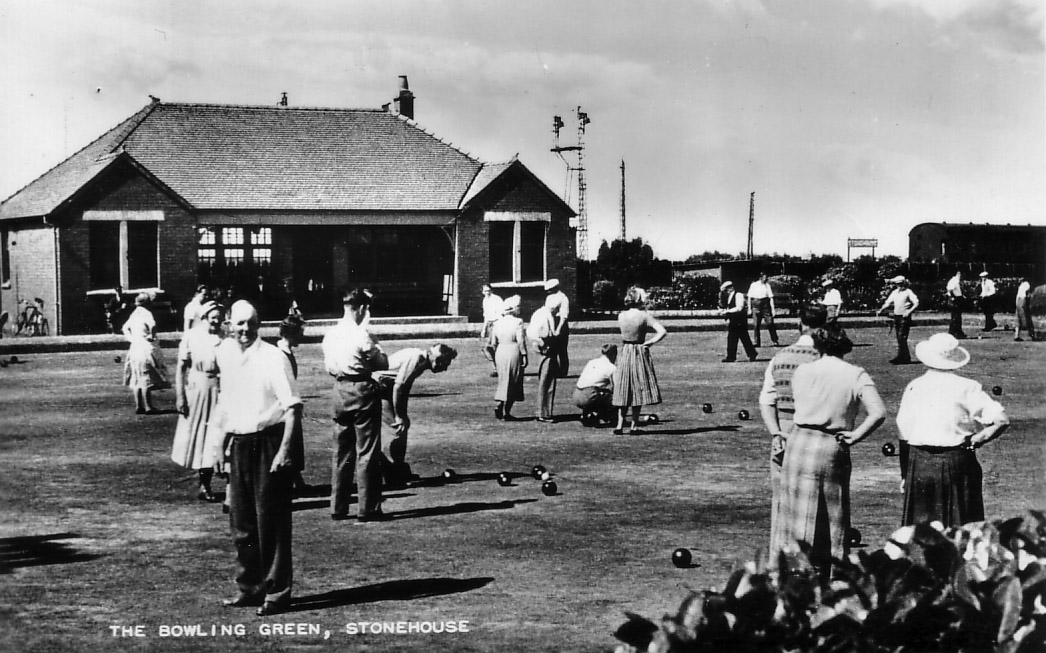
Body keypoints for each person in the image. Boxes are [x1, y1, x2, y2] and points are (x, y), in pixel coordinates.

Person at [211, 300, 302, 616]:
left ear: (259, 323)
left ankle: (277, 593)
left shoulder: (274, 357)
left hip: (268, 444)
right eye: (239, 324)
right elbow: (225, 405)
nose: (245, 329)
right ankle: (250, 588)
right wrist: (218, 448)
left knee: (271, 523)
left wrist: (285, 451)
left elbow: (292, 408)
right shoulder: (227, 355)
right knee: (243, 524)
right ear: (229, 325)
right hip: (239, 445)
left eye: (250, 323)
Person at [779, 326, 886, 578]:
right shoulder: (855, 374)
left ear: (818, 347)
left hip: (799, 442)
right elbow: (878, 412)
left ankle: (796, 576)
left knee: (797, 513)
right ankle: (831, 575)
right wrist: (856, 435)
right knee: (833, 514)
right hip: (831, 444)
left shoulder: (803, 371)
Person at [894, 333, 1009, 529]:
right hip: (957, 462)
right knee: (961, 528)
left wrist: (905, 474)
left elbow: (903, 433)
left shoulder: (914, 386)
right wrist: (977, 439)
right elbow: (1001, 420)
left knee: (921, 532)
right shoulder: (967, 387)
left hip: (920, 464)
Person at [758, 304, 827, 559]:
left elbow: (766, 399)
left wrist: (776, 432)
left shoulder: (779, 357)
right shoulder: (825, 359)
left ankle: (783, 560)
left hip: (784, 434)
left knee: (784, 501)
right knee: (817, 501)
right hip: (817, 433)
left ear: (801, 323)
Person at [323, 288, 390, 522]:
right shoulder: (363, 335)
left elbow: (329, 366)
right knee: (367, 451)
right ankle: (368, 507)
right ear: (361, 309)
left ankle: (338, 506)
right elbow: (382, 362)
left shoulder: (331, 334)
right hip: (362, 390)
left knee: (342, 452)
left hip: (339, 390)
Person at [375, 343, 458, 487]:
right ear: (437, 360)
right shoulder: (417, 359)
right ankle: (393, 476)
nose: (444, 369)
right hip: (379, 388)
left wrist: (402, 415)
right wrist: (400, 417)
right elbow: (399, 387)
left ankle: (397, 470)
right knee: (395, 430)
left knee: (400, 428)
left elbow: (402, 389)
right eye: (445, 364)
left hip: (385, 389)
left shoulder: (420, 359)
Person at [171, 301, 224, 502]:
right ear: (204, 318)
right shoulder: (192, 337)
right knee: (202, 437)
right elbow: (181, 368)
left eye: (219, 318)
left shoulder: (225, 338)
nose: (216, 322)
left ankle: (222, 483)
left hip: (220, 389)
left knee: (218, 434)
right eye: (213, 318)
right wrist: (180, 396)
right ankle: (205, 484)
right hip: (198, 390)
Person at [612, 287, 667, 435]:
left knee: (623, 387)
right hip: (638, 351)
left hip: (625, 350)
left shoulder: (621, 315)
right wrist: (650, 342)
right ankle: (634, 425)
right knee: (637, 388)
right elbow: (662, 331)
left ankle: (619, 425)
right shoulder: (644, 316)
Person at [276, 314, 312, 497]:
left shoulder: (287, 351)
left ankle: (297, 480)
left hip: (292, 400)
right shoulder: (280, 353)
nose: (302, 336)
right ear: (291, 333)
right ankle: (289, 482)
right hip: (284, 405)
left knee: (295, 441)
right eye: (300, 332)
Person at [122, 292, 169, 414]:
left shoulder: (134, 314)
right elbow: (153, 325)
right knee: (145, 376)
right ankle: (148, 406)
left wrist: (131, 338)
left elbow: (124, 328)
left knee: (136, 376)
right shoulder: (147, 313)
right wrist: (151, 336)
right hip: (145, 347)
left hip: (135, 347)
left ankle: (139, 405)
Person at [490, 295, 528, 420]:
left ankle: (500, 403)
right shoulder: (518, 322)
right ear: (513, 309)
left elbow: (493, 343)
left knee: (503, 379)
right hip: (513, 350)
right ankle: (506, 411)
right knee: (514, 380)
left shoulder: (497, 323)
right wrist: (524, 355)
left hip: (501, 351)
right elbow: (521, 341)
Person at [528, 300, 562, 423]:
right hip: (546, 346)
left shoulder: (541, 312)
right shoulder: (544, 315)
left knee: (546, 380)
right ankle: (543, 413)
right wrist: (542, 343)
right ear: (553, 307)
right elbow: (532, 332)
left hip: (545, 346)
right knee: (547, 381)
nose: (558, 311)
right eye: (557, 308)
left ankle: (544, 411)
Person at [876, 276, 919, 365]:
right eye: (897, 284)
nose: (899, 286)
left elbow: (916, 302)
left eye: (900, 284)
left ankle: (905, 357)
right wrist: (881, 309)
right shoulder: (895, 292)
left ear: (904, 284)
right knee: (899, 338)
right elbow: (888, 302)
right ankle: (902, 356)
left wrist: (909, 311)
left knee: (901, 337)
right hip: (897, 317)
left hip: (905, 317)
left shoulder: (908, 292)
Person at [574, 344, 617, 426]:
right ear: (613, 354)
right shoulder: (612, 367)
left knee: (601, 393)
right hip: (589, 396)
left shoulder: (592, 362)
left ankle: (589, 413)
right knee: (615, 397)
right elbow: (616, 388)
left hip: (576, 395)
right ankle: (607, 416)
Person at [719, 280, 758, 362]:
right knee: (735, 338)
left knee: (741, 337)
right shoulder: (730, 296)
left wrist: (727, 312)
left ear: (731, 288)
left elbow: (739, 307)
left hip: (740, 319)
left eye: (726, 290)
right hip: (735, 319)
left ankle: (734, 356)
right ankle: (747, 354)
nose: (726, 292)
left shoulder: (738, 295)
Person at [544, 278, 571, 376]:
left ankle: (563, 370)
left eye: (550, 290)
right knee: (552, 348)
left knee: (562, 348)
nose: (549, 292)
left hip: (560, 323)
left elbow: (564, 315)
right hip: (551, 322)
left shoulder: (563, 298)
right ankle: (554, 369)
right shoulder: (549, 298)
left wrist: (558, 329)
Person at [747, 272, 779, 347]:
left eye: (766, 278)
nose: (765, 279)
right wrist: (749, 309)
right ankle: (756, 342)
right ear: (760, 278)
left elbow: (771, 297)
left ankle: (775, 340)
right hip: (756, 305)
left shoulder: (767, 285)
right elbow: (749, 297)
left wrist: (773, 309)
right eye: (764, 278)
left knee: (770, 323)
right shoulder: (754, 285)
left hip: (765, 306)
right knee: (756, 325)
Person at [480, 284, 504, 376]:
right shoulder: (485, 300)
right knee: (486, 348)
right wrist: (484, 329)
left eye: (489, 290)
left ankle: (499, 368)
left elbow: (501, 314)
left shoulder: (497, 299)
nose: (487, 292)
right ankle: (495, 368)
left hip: (497, 324)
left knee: (494, 346)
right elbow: (486, 316)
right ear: (483, 292)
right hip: (489, 325)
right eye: (485, 291)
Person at [945, 271, 967, 339]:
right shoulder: (955, 280)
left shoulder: (955, 280)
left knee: (956, 317)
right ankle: (955, 333)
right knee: (956, 317)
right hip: (955, 299)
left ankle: (956, 332)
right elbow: (950, 289)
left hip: (958, 298)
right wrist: (953, 297)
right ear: (958, 274)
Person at [1015, 277, 1035, 342]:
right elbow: (1025, 295)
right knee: (1026, 318)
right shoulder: (1026, 284)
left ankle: (1017, 335)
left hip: (1020, 301)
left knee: (1019, 319)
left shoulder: (1024, 284)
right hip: (1022, 301)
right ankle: (1031, 335)